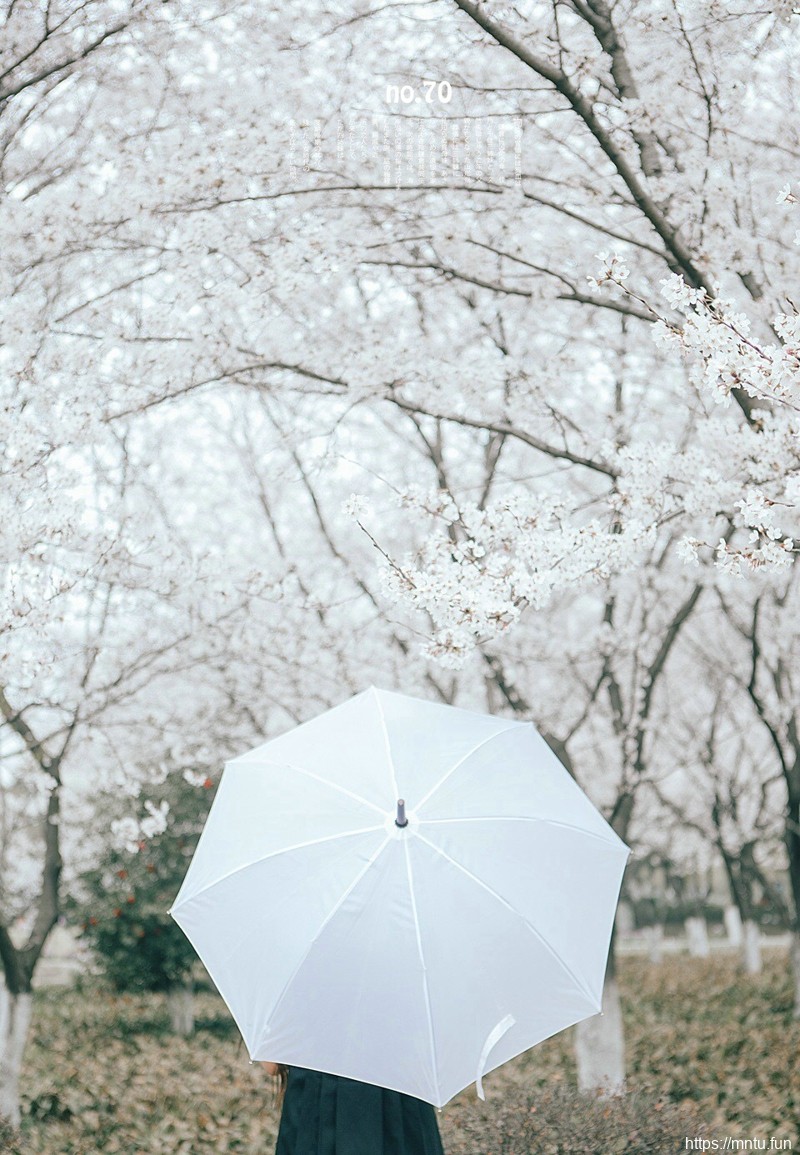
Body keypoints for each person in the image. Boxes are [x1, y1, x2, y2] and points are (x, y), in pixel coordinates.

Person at [260, 1062, 445, 1155]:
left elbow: (271, 1066)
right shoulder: (408, 990)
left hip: (316, 1104)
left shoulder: (302, 989)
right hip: (400, 1101)